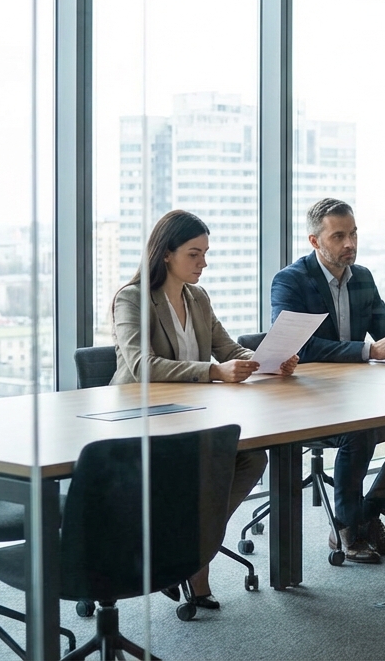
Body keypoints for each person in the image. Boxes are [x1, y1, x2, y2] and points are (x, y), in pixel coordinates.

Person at [111, 209, 298, 610]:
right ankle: (195, 564)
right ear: (166, 254)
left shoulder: (197, 298)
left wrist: (267, 361)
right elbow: (142, 365)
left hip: (193, 414)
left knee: (251, 458)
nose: (203, 263)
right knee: (206, 466)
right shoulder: (132, 298)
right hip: (143, 418)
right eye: (194, 254)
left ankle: (188, 547)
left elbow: (228, 349)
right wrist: (213, 371)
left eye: (205, 254)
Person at [270, 198, 385, 564]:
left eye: (353, 234)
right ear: (315, 241)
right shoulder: (291, 280)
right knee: (359, 429)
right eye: (338, 236)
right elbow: (301, 346)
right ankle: (346, 527)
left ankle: (370, 513)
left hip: (355, 393)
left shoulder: (361, 276)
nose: (349, 244)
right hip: (307, 397)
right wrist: (368, 351)